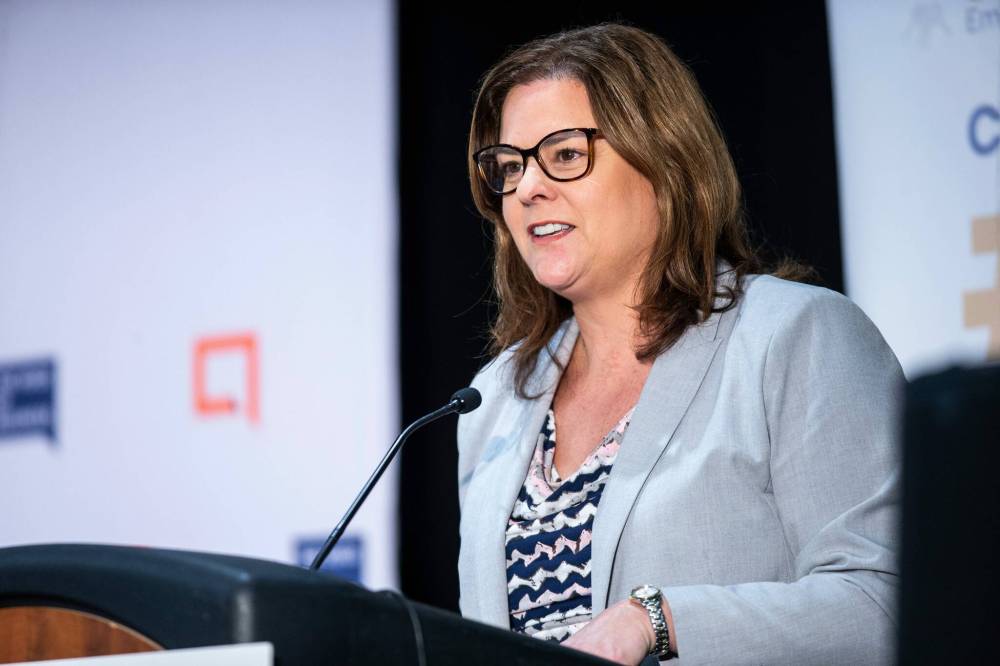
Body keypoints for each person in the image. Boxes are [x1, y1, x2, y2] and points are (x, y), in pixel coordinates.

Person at [456, 23, 903, 666]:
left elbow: (888, 603)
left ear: (662, 161)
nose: (528, 187)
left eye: (565, 154)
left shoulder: (793, 338)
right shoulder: (491, 402)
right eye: (509, 166)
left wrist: (659, 621)